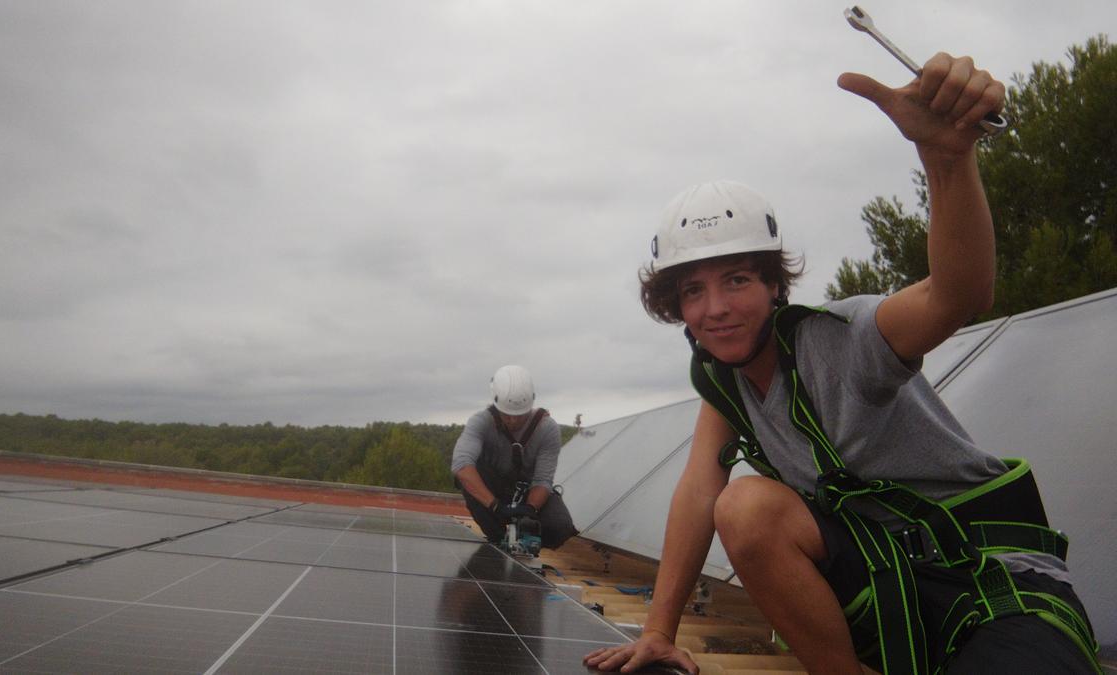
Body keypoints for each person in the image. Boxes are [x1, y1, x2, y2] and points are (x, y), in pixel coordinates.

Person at [585, 53, 1100, 674]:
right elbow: (700, 493)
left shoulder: (845, 339)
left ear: (776, 286)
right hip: (882, 588)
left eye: (738, 279)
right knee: (744, 506)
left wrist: (947, 158)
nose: (715, 308)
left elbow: (957, 294)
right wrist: (660, 631)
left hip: (987, 578)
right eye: (692, 290)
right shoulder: (726, 386)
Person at [451, 365, 577, 549]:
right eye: (507, 415)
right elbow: (461, 466)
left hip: (528, 491)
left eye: (520, 415)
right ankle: (497, 538)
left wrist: (529, 510)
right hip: (493, 490)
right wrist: (496, 506)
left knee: (560, 528)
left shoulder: (547, 429)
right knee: (469, 475)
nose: (513, 421)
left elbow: (543, 480)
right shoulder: (480, 422)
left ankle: (525, 542)